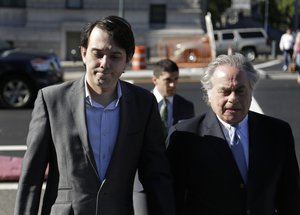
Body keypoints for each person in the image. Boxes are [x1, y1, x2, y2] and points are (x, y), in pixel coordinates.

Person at [14, 15, 175, 215]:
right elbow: (31, 178)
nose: (104, 63)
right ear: (83, 54)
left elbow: (156, 175)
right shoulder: (52, 100)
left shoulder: (143, 104)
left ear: (127, 60)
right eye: (97, 54)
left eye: (115, 56)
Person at [167, 53, 300, 215]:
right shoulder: (185, 136)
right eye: (225, 91)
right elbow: (173, 199)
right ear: (209, 94)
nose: (233, 98)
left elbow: (290, 197)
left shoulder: (278, 133)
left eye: (240, 91)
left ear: (251, 92)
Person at [152, 59, 195, 137]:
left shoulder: (186, 106)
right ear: (155, 80)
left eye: (176, 79)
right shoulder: (142, 103)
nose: (173, 85)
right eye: (168, 80)